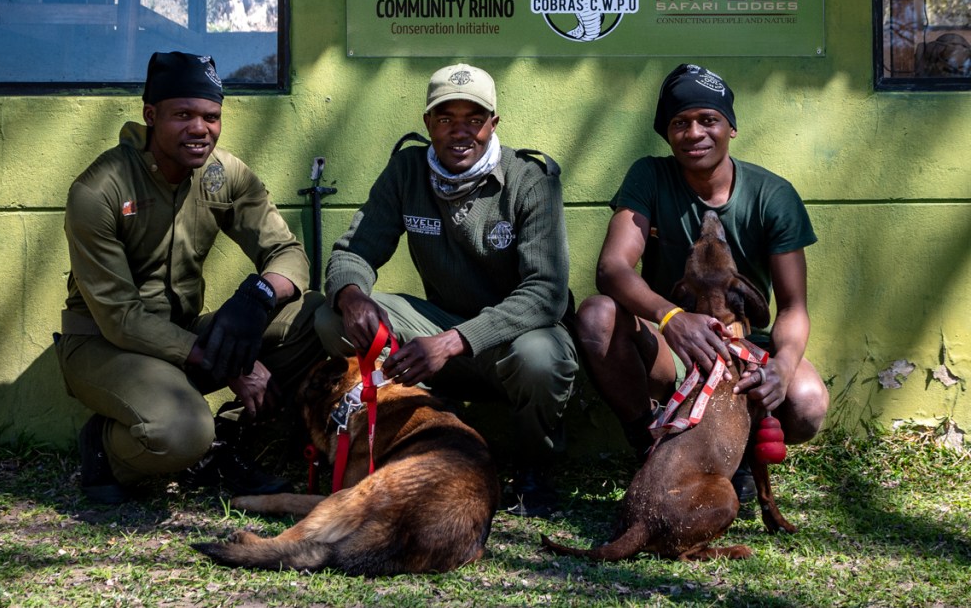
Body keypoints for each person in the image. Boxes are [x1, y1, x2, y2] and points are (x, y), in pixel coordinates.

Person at [56, 51, 326, 504]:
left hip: (181, 336)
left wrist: (258, 296)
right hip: (104, 344)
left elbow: (287, 253)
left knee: (312, 316)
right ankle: (105, 447)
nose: (200, 129)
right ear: (150, 115)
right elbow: (121, 318)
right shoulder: (99, 190)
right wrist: (227, 363)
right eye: (183, 115)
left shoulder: (222, 174)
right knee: (180, 432)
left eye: (211, 117)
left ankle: (225, 439)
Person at [314, 63, 578, 517]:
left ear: (493, 124)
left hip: (512, 336)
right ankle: (402, 442)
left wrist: (454, 342)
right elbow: (352, 252)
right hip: (438, 323)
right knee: (331, 317)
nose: (461, 133)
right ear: (427, 124)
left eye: (474, 120)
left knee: (542, 359)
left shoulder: (530, 179)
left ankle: (535, 469)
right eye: (445, 119)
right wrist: (352, 293)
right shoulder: (407, 170)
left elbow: (545, 293)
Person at [576, 63, 829, 503]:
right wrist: (670, 315)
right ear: (667, 133)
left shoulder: (773, 195)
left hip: (744, 350)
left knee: (807, 403)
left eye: (708, 119)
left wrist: (783, 367)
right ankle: (650, 444)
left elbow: (792, 307)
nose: (694, 132)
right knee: (597, 314)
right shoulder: (649, 177)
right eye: (680, 122)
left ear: (730, 127)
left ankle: (739, 455)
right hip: (673, 342)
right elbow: (612, 268)